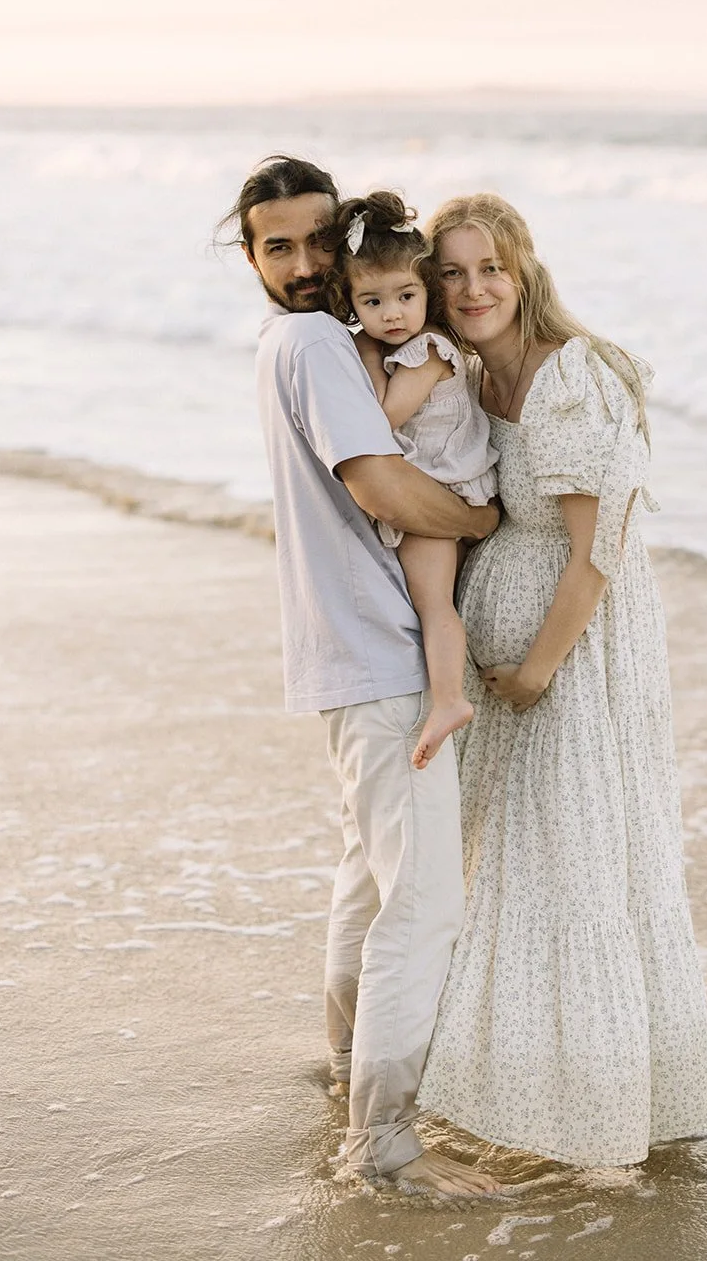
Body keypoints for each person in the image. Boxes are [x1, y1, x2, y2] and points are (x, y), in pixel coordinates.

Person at [416, 193, 707, 1166]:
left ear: (524, 271)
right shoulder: (467, 376)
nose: (471, 289)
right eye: (450, 272)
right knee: (509, 861)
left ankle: (593, 1108)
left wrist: (538, 668)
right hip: (505, 661)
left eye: (488, 269)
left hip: (570, 654)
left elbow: (596, 554)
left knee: (571, 858)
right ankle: (514, 1083)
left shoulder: (567, 378)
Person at [219, 156, 499, 1195]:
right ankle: (381, 1143)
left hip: (338, 652)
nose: (301, 264)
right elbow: (381, 480)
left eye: (315, 241)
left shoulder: (285, 342)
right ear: (248, 254)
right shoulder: (317, 344)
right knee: (420, 902)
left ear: (345, 240)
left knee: (364, 880)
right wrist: (479, 517)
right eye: (275, 246)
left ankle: (349, 1075)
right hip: (383, 651)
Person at [322, 190, 498, 771]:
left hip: (445, 490)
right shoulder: (403, 342)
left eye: (405, 296)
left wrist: (367, 351)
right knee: (431, 601)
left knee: (433, 605)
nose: (392, 312)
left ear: (427, 292)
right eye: (372, 302)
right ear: (351, 301)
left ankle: (449, 701)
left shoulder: (427, 350)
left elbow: (383, 418)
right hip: (433, 486)